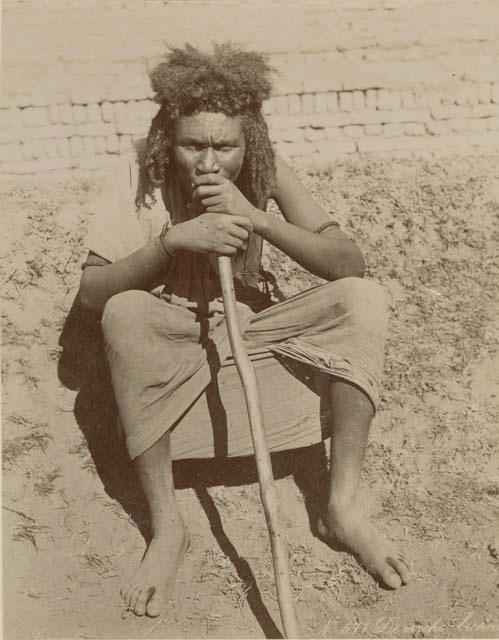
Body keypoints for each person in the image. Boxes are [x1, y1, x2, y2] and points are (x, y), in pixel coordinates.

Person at [78, 43, 410, 618]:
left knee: (362, 300)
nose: (208, 162)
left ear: (247, 139)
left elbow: (347, 262)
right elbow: (90, 293)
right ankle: (167, 530)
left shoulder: (265, 168)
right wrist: (169, 244)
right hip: (170, 352)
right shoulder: (141, 173)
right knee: (124, 313)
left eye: (224, 146)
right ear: (166, 138)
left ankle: (342, 508)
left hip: (254, 339)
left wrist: (255, 216)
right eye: (193, 145)